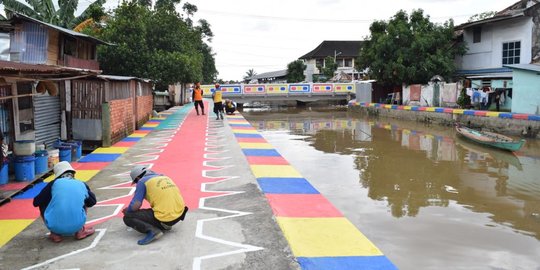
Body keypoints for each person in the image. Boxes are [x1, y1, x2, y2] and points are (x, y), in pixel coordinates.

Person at [123, 165, 188, 245]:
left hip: (166, 217)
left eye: (135, 182)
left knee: (128, 217)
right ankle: (165, 225)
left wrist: (127, 210)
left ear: (137, 178)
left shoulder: (142, 181)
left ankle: (153, 231)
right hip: (179, 214)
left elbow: (135, 205)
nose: (136, 184)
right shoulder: (165, 177)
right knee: (157, 206)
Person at [33, 161, 96, 243]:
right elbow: (92, 202)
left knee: (43, 203)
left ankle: (55, 234)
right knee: (83, 200)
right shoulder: (81, 183)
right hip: (77, 225)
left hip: (55, 226)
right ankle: (80, 231)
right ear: (72, 173)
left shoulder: (53, 184)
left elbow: (36, 202)